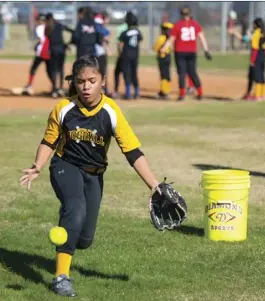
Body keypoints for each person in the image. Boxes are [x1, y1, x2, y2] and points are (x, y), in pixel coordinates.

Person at [19, 54, 162, 297]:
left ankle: (70, 230)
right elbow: (48, 141)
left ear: (103, 81)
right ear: (73, 81)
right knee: (74, 211)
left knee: (84, 239)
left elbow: (133, 152)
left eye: (92, 80)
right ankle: (61, 277)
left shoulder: (111, 112)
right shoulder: (64, 109)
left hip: (94, 175)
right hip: (65, 166)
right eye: (80, 81)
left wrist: (154, 185)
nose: (86, 86)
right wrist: (38, 165)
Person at [160, 6, 212, 101]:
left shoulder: (178, 25)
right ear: (190, 14)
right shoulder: (195, 24)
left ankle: (182, 94)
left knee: (182, 74)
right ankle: (200, 93)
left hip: (180, 52)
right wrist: (206, 51)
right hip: (191, 52)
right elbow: (202, 38)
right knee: (192, 73)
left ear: (181, 14)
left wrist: (163, 48)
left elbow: (172, 39)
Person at [45, 13, 74, 98]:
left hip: (53, 50)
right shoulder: (59, 25)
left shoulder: (48, 27)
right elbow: (72, 31)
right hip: (61, 49)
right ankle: (60, 88)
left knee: (53, 70)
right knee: (60, 69)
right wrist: (67, 43)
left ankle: (54, 89)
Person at [241, 18, 265, 101]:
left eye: (254, 24)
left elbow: (255, 48)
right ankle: (262, 95)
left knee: (257, 76)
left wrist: (252, 61)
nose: (253, 26)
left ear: (256, 25)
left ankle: (257, 96)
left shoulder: (256, 33)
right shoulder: (264, 33)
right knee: (262, 75)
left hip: (257, 55)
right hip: (263, 55)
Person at [23, 14, 50, 94]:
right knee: (50, 70)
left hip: (41, 52)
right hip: (49, 51)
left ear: (40, 21)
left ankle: (29, 85)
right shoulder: (49, 27)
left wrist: (36, 46)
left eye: (38, 20)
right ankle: (55, 87)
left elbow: (41, 39)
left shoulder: (39, 28)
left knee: (33, 68)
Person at [119, 13, 143, 100]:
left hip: (126, 55)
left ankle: (128, 93)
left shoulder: (124, 33)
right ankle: (136, 92)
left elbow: (121, 44)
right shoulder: (138, 32)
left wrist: (121, 53)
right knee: (134, 73)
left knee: (127, 73)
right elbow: (139, 39)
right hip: (135, 55)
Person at [110, 12, 132, 98]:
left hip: (123, 55)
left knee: (117, 72)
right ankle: (129, 92)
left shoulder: (121, 28)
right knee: (128, 73)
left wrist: (120, 53)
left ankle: (116, 91)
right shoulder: (133, 28)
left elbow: (120, 43)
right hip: (132, 54)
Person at [153, 22, 173, 99]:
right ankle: (166, 90)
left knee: (163, 75)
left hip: (162, 58)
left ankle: (164, 93)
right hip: (168, 57)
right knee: (167, 75)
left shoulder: (161, 38)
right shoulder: (170, 38)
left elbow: (155, 48)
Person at [94, 12, 112, 96]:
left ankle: (103, 89)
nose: (108, 21)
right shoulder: (99, 28)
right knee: (101, 72)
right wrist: (108, 49)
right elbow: (103, 39)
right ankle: (103, 89)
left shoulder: (99, 27)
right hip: (100, 53)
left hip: (97, 53)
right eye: (107, 19)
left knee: (100, 72)